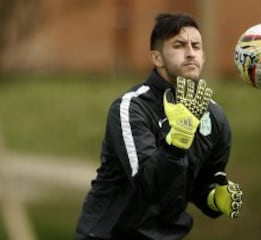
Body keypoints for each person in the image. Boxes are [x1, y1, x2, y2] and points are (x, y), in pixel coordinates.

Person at [75, 13, 243, 240]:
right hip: (111, 235)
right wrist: (176, 142)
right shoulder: (130, 108)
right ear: (157, 58)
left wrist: (214, 198)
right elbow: (148, 187)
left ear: (204, 56)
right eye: (179, 45)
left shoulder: (214, 117)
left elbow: (201, 181)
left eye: (196, 46)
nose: (190, 53)